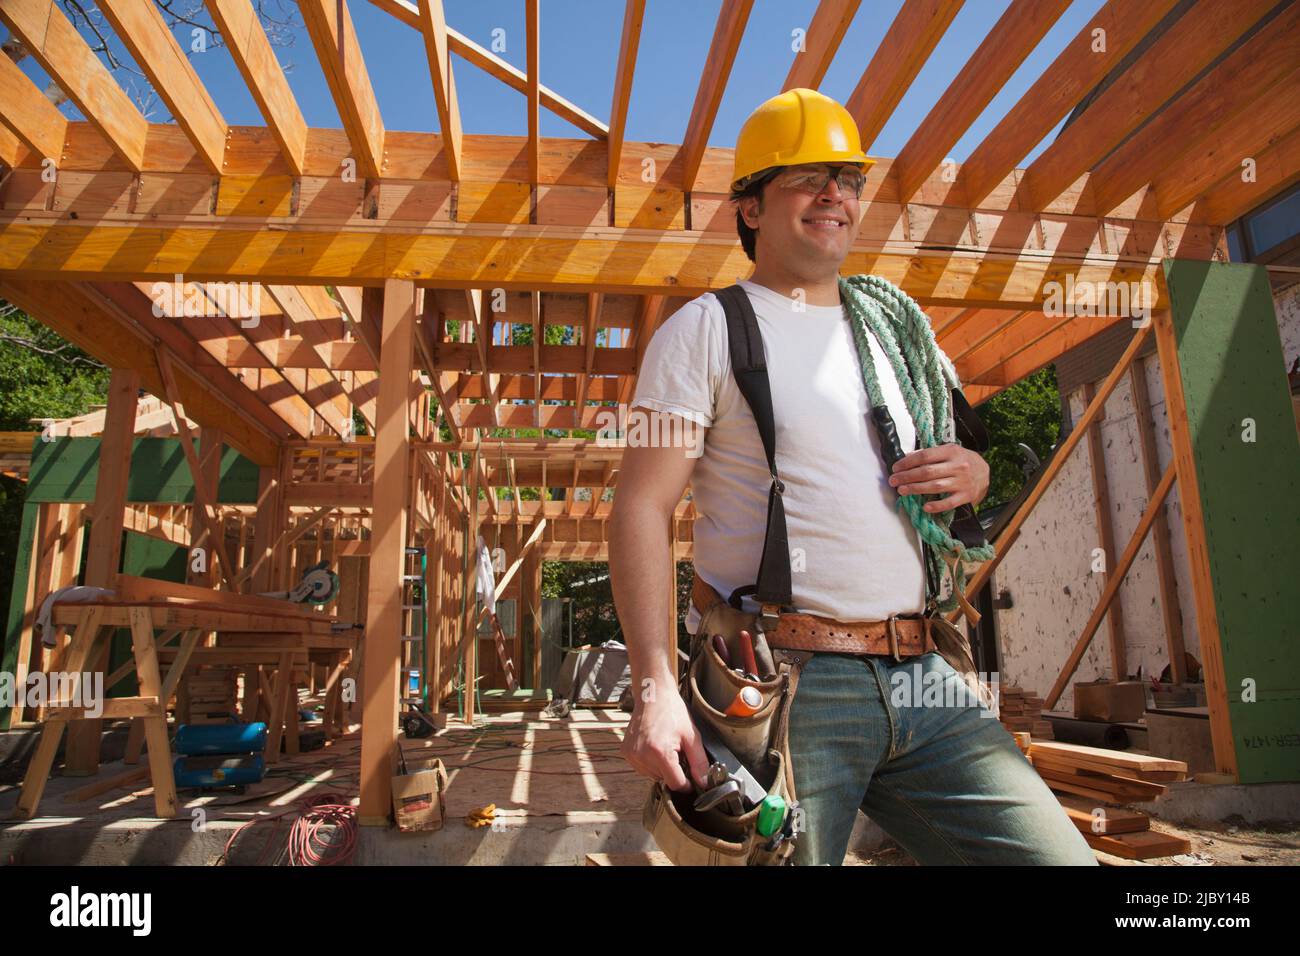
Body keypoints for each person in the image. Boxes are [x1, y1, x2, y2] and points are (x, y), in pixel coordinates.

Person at [609, 88, 1096, 865]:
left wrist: (973, 469)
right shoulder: (702, 330)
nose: (835, 193)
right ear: (751, 209)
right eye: (806, 177)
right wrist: (656, 689)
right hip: (786, 684)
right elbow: (638, 507)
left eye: (848, 178)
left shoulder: (893, 334)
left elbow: (953, 457)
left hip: (924, 673)